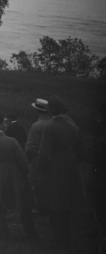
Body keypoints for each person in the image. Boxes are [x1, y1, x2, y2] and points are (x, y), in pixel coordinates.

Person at [36, 99, 87, 246]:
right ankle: (67, 236)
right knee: (67, 202)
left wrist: (44, 168)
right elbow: (82, 152)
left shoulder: (50, 127)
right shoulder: (74, 127)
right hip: (71, 167)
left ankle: (59, 238)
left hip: (55, 167)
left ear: (50, 111)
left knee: (54, 202)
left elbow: (43, 154)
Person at [0, 113, 36, 239]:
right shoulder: (12, 141)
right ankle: (31, 233)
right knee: (23, 203)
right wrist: (25, 174)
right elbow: (22, 161)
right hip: (15, 174)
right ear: (1, 124)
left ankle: (2, 233)